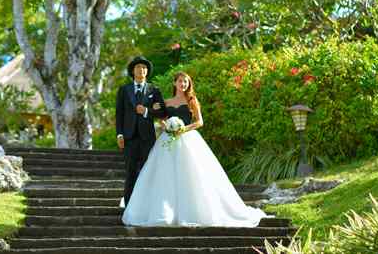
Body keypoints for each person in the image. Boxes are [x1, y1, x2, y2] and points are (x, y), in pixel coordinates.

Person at [121, 71, 269, 227]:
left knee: (192, 174)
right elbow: (162, 119)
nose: (183, 84)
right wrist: (166, 126)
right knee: (164, 176)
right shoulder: (167, 102)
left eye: (185, 82)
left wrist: (184, 128)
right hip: (168, 141)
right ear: (174, 83)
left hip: (188, 139)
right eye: (180, 81)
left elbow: (200, 122)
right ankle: (164, 211)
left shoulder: (192, 100)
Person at [115, 56, 165, 208]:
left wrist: (146, 111)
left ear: (147, 72)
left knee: (146, 172)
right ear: (133, 71)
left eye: (144, 68)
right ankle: (129, 206)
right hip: (129, 138)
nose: (141, 70)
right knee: (130, 172)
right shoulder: (124, 90)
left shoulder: (153, 90)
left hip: (147, 138)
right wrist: (120, 134)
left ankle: (145, 205)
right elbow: (119, 113)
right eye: (138, 68)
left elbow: (162, 112)